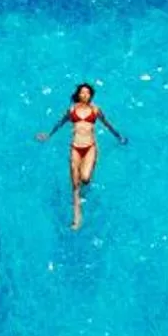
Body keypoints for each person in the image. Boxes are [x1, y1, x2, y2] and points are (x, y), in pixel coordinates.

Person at [37, 81, 126, 229]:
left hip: (90, 147)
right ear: (78, 94)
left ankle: (86, 187)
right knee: (75, 184)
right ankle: (77, 218)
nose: (84, 94)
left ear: (91, 95)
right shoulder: (72, 110)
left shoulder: (95, 110)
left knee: (85, 178)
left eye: (87, 92)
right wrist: (48, 135)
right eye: (82, 92)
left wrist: (119, 137)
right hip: (75, 148)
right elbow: (60, 123)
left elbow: (107, 124)